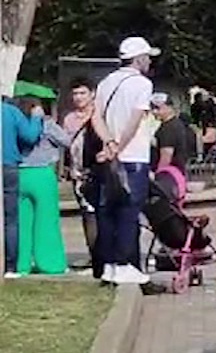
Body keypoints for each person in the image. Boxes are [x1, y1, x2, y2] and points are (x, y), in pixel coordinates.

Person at [89, 36, 160, 286]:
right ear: (139, 59)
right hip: (133, 157)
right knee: (129, 212)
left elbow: (94, 116)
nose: (150, 61)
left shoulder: (106, 82)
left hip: (109, 158)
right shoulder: (141, 84)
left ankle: (108, 265)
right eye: (148, 57)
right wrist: (118, 146)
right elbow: (135, 119)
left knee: (107, 211)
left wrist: (108, 143)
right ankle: (124, 264)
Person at [3, 95, 47, 278]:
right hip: (8, 166)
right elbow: (29, 137)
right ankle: (10, 266)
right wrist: (37, 118)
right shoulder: (10, 111)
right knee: (10, 219)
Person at [62, 79, 101, 279]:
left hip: (98, 172)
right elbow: (67, 147)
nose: (78, 98)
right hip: (78, 174)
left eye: (82, 93)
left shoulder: (100, 114)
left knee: (100, 215)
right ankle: (94, 256)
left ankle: (102, 256)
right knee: (87, 216)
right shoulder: (69, 119)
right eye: (75, 94)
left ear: (92, 93)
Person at [150, 93, 197, 173]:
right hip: (177, 172)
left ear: (169, 107)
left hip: (168, 174)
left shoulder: (168, 128)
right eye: (152, 108)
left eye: (158, 108)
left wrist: (158, 174)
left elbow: (166, 156)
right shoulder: (177, 124)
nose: (154, 111)